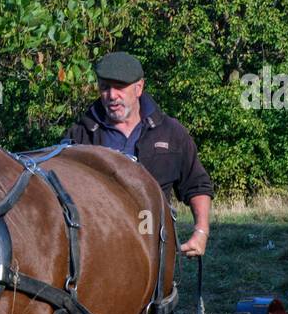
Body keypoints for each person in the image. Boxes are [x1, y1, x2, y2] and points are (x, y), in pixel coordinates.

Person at [64, 51, 213, 256]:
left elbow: (196, 185)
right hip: (97, 250)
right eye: (105, 87)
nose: (111, 95)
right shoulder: (80, 136)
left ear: (139, 87)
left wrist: (201, 232)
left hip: (155, 248)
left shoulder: (171, 132)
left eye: (119, 87)